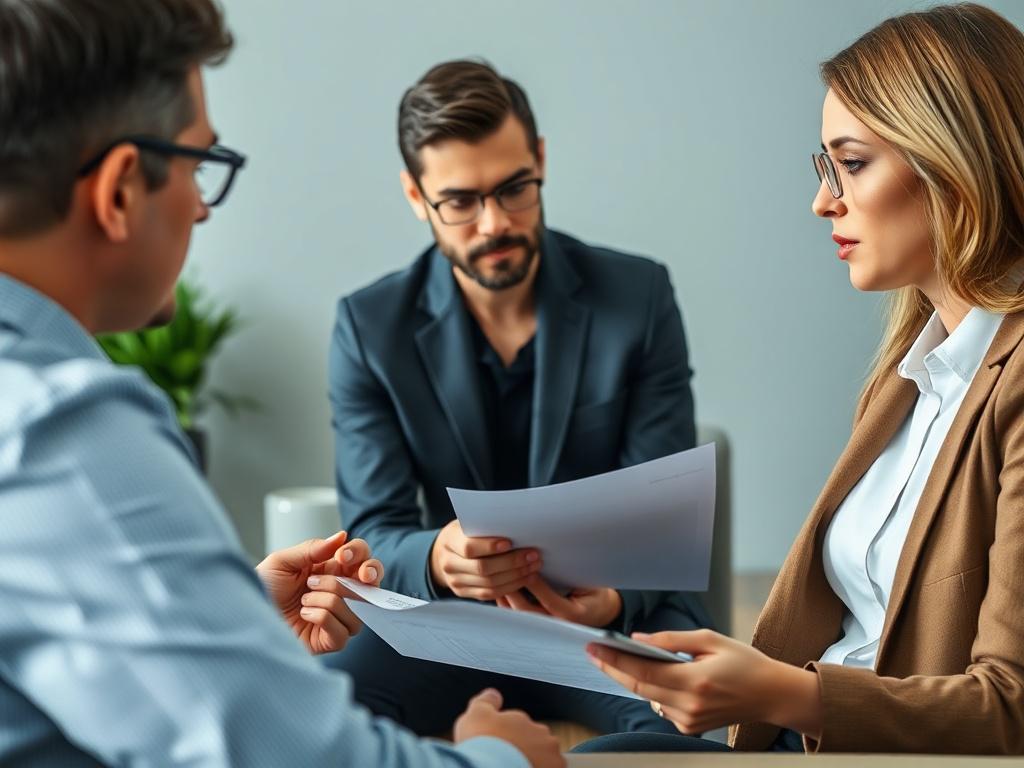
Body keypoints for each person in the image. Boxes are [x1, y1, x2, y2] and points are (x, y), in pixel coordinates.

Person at [0, 2, 564, 766]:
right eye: (201, 164)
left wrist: (231, 617)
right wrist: (501, 758)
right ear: (123, 190)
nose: (202, 204)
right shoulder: (62, 433)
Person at [578, 2, 1024, 756]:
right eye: (827, 167)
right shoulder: (909, 373)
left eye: (851, 164)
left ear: (953, 160)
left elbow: (1010, 711)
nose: (824, 201)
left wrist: (779, 690)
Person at [327, 58, 709, 737]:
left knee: (693, 729)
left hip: (610, 621)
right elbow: (373, 530)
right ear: (417, 197)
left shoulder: (639, 298)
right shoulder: (368, 327)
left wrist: (613, 598)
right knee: (324, 713)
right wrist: (439, 559)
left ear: (540, 159)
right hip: (444, 626)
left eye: (514, 189)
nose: (494, 224)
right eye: (460, 202)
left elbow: (664, 524)